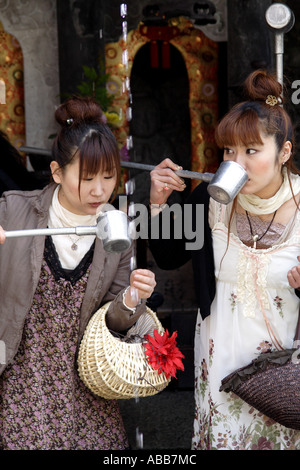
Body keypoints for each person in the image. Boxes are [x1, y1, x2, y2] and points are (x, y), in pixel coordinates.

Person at [148, 70, 300, 450]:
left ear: (284, 152)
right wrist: (158, 204)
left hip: (286, 377)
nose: (237, 163)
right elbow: (168, 257)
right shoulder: (210, 201)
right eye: (229, 152)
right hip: (219, 367)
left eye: (251, 151)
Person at [0, 96, 156, 450]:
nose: (100, 190)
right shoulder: (11, 211)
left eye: (109, 176)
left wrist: (132, 298)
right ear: (57, 172)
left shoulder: (117, 229)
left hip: (88, 384)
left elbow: (114, 322)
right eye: (86, 178)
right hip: (22, 381)